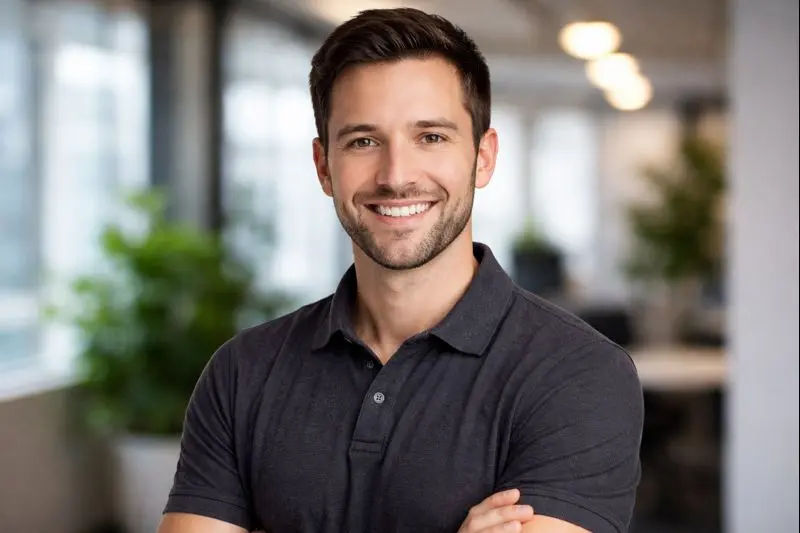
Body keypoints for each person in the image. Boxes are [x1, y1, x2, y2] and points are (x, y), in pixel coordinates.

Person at [159, 7, 643, 533]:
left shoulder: (577, 373)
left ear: (483, 157)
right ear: (324, 166)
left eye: (430, 137)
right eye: (363, 141)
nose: (396, 176)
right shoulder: (242, 372)